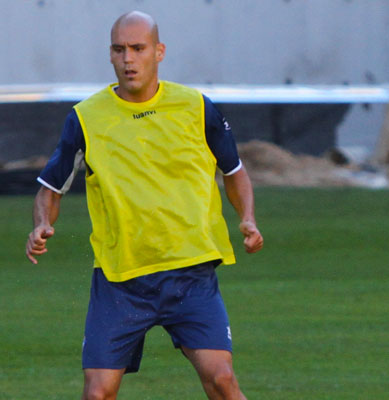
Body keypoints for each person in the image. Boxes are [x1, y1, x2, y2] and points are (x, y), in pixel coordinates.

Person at [26, 10, 263, 400]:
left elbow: (234, 170)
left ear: (159, 51)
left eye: (138, 48)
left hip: (190, 271)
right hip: (122, 280)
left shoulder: (196, 107)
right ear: (110, 54)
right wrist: (40, 225)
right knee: (98, 392)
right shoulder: (85, 118)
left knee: (221, 377)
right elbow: (50, 188)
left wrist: (248, 219)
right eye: (119, 50)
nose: (128, 59)